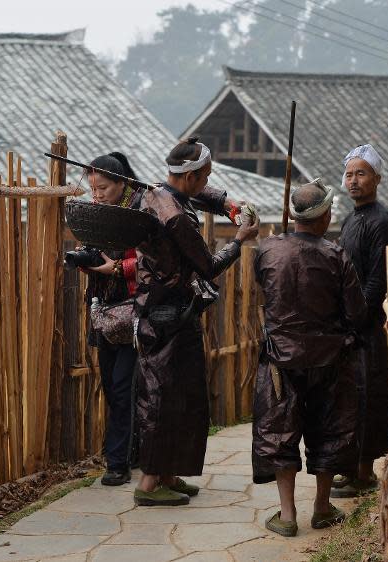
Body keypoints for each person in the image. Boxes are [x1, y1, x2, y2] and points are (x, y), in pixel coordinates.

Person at [133, 137, 260, 506]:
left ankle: (168, 475)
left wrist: (228, 204)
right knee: (162, 399)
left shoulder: (158, 193)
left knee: (183, 397)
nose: (207, 182)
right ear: (188, 177)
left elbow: (203, 195)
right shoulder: (177, 217)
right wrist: (239, 240)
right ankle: (149, 484)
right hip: (168, 316)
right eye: (204, 176)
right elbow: (208, 266)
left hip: (166, 312)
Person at [252, 179, 366, 537]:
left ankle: (287, 514)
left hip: (280, 361)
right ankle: (321, 506)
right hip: (329, 359)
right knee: (329, 430)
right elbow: (356, 312)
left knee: (279, 431)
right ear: (327, 215)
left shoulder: (268, 250)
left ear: (291, 214)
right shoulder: (336, 255)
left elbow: (266, 288)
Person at [332, 144, 388, 498]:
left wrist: (357, 316)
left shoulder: (382, 222)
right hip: (348, 321)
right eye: (349, 174)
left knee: (368, 395)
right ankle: (350, 466)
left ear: (377, 179)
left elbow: (376, 279)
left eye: (361, 173)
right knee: (347, 396)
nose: (354, 180)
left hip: (368, 325)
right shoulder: (350, 219)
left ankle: (364, 471)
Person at [82, 152, 141, 486]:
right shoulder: (98, 212)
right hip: (103, 313)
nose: (98, 194)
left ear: (122, 183)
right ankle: (127, 455)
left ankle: (118, 463)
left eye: (104, 188)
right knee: (112, 387)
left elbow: (151, 262)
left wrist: (118, 268)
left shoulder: (142, 212)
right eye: (94, 188)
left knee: (122, 388)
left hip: (135, 315)